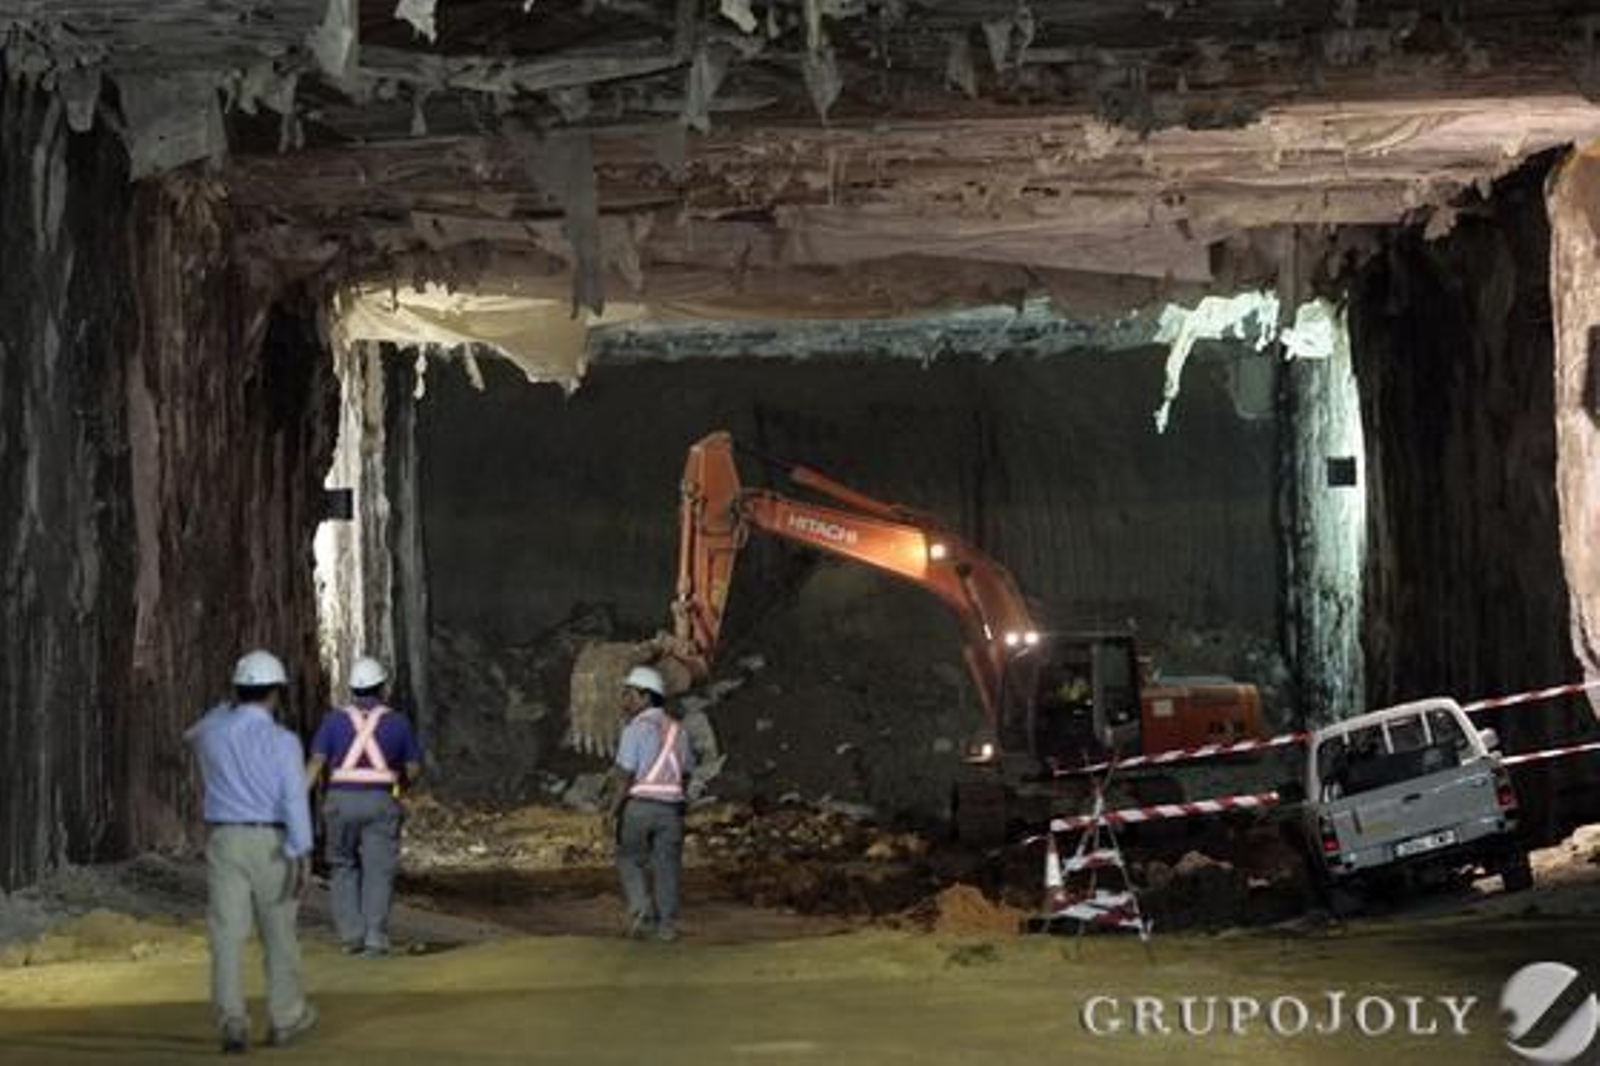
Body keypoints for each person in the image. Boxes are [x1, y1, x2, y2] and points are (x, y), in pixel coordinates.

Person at [184, 649, 318, 1054]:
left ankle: (232, 1021)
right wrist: (302, 849)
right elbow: (294, 798)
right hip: (272, 844)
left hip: (225, 841)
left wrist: (224, 707)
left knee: (226, 936)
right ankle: (286, 1017)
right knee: (279, 933)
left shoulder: (212, 732)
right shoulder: (283, 742)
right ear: (276, 693)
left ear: (236, 691)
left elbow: (191, 733)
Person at [305, 655, 423, 958]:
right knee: (378, 870)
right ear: (382, 688)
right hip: (380, 802)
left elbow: (316, 764)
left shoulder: (333, 722)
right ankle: (374, 936)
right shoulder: (398, 723)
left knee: (342, 865)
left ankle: (351, 935)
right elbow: (412, 769)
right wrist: (397, 789)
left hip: (340, 802)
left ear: (352, 689)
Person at [606, 665, 695, 942]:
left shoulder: (635, 729)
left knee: (629, 859)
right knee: (667, 867)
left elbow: (624, 776)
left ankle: (642, 914)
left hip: (639, 807)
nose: (624, 700)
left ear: (646, 696)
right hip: (671, 810)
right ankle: (666, 927)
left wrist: (612, 811)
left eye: (629, 694)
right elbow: (687, 771)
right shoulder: (677, 730)